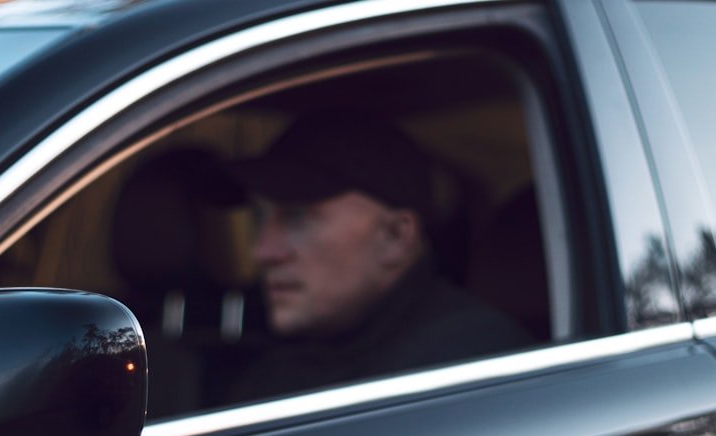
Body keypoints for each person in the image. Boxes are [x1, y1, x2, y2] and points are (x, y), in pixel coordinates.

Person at [227, 108, 531, 402]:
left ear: (395, 236)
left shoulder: (469, 368)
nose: (262, 251)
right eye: (258, 217)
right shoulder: (277, 371)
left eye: (297, 217)